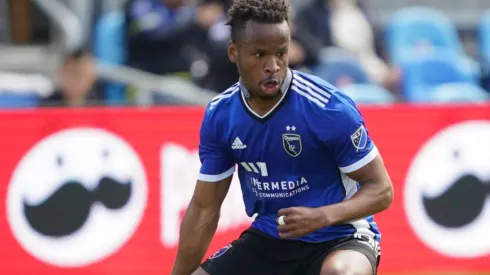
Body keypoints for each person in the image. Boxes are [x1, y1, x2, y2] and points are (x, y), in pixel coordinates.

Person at [171, 0, 394, 274]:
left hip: (341, 237)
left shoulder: (327, 107)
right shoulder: (221, 115)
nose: (273, 66)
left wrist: (323, 216)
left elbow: (381, 189)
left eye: (281, 53)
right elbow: (204, 209)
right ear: (234, 52)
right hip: (271, 239)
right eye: (260, 55)